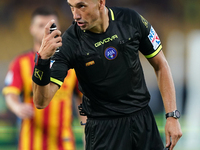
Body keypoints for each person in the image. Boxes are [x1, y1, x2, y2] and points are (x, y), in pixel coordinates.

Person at [32, 0, 182, 150]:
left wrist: (172, 115)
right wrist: (42, 61)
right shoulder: (69, 43)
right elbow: (41, 101)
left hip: (143, 121)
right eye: (71, 7)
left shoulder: (131, 20)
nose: (75, 15)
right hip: (103, 131)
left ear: (101, 2)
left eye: (81, 6)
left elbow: (161, 65)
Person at [2, 6, 83, 150]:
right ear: (32, 28)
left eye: (52, 26)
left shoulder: (71, 64)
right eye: (40, 26)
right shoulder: (21, 63)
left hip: (64, 143)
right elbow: (10, 93)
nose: (46, 31)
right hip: (31, 143)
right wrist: (17, 107)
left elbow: (81, 98)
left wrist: (85, 128)